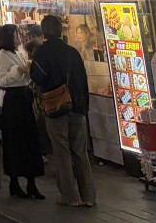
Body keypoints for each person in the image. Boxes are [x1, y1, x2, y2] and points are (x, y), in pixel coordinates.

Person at [30, 13, 96, 206]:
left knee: (62, 152)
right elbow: (82, 79)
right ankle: (88, 196)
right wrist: (84, 106)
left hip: (55, 107)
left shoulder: (41, 52)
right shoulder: (72, 52)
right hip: (76, 106)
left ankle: (69, 196)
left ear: (44, 32)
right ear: (60, 31)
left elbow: (37, 77)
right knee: (80, 152)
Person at [0, 23, 45, 199]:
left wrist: (27, 71)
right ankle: (14, 182)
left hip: (24, 97)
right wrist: (18, 70)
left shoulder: (18, 52)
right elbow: (1, 80)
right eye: (16, 34)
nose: (19, 36)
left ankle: (31, 183)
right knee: (15, 141)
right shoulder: (2, 55)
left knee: (29, 139)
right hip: (13, 101)